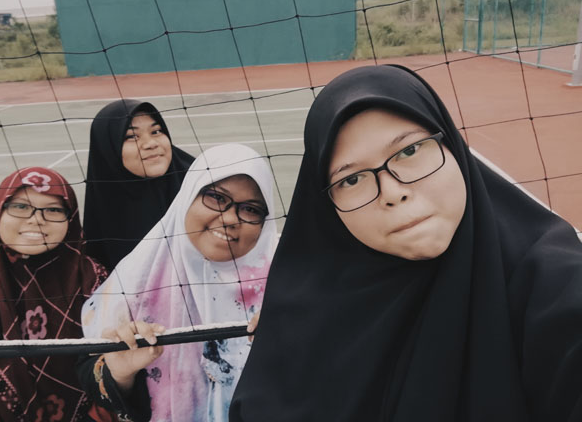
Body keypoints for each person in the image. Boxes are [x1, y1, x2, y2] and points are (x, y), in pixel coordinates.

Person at [230, 65, 582, 421]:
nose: (392, 191)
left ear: (451, 146)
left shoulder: (551, 281)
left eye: (410, 150)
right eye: (351, 179)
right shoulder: (304, 318)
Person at [78, 143, 277, 422]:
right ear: (188, 197)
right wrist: (121, 372)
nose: (230, 218)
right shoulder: (138, 277)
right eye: (217, 197)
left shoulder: (286, 282)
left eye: (251, 209)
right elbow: (89, 373)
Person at [0, 167, 110, 422]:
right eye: (20, 207)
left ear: (71, 218)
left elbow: (110, 378)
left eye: (53, 210)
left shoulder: (97, 283)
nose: (36, 219)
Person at [84, 99, 195, 271]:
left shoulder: (201, 186)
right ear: (108, 149)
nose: (151, 144)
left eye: (156, 131)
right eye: (131, 137)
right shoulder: (102, 208)